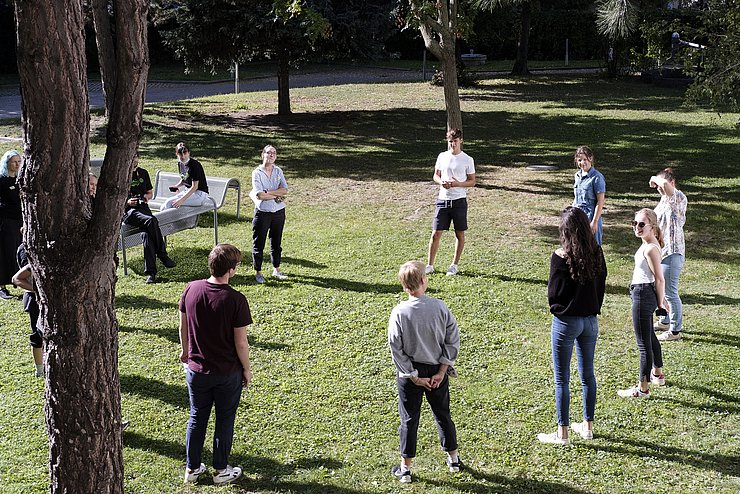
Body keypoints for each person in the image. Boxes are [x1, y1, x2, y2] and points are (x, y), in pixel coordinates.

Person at [179, 244, 252, 485]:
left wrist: (186, 352)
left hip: (197, 369)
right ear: (230, 270)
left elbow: (183, 327)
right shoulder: (236, 300)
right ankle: (221, 470)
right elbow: (241, 343)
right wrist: (247, 369)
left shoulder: (191, 289)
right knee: (224, 419)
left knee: (197, 417)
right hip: (226, 373)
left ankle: (192, 469)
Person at [537, 207, 606, 445]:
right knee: (588, 375)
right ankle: (588, 426)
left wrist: (561, 311)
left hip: (566, 322)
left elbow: (554, 294)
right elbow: (601, 286)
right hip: (590, 321)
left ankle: (562, 432)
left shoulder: (560, 257)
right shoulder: (596, 252)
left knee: (562, 379)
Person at [388, 260, 461, 483]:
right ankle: (454, 460)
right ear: (423, 281)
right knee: (442, 414)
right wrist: (442, 371)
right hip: (436, 368)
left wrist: (413, 376)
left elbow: (395, 345)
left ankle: (405, 469)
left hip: (411, 373)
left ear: (404, 286)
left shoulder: (399, 312)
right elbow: (452, 339)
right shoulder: (440, 307)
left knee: (409, 419)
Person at [618, 209, 667, 398]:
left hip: (642, 294)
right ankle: (658, 373)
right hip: (643, 293)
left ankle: (642, 389)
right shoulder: (649, 244)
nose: (636, 228)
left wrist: (661, 303)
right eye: (634, 223)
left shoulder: (650, 248)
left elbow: (659, 279)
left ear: (652, 226)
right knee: (650, 336)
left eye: (641, 224)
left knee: (643, 345)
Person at [425, 128, 476, 276]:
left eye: (455, 141)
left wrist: (458, 184)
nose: (452, 144)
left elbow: (472, 181)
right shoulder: (442, 156)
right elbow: (436, 175)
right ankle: (430, 265)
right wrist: (442, 182)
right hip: (443, 200)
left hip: (459, 200)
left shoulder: (467, 159)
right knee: (435, 233)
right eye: (450, 141)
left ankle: (454, 265)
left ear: (461, 140)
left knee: (459, 234)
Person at [123, 156, 176, 284]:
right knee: (151, 221)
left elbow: (150, 192)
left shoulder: (143, 173)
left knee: (147, 235)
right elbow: (115, 198)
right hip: (129, 211)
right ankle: (163, 255)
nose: (134, 161)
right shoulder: (122, 173)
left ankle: (151, 273)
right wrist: (128, 202)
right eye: (132, 158)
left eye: (136, 158)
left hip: (144, 208)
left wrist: (146, 197)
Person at [650, 168, 687, 341]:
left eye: (661, 185)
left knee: (671, 292)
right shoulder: (663, 201)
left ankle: (675, 330)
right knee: (661, 290)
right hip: (662, 252)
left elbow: (664, 184)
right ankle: (665, 319)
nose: (659, 189)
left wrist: (654, 179)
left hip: (673, 252)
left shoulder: (678, 197)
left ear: (672, 183)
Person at [249, 144, 288, 284]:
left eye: (274, 153)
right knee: (259, 243)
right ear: (263, 155)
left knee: (276, 242)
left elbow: (285, 190)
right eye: (268, 153)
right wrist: (275, 194)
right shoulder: (256, 173)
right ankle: (258, 272)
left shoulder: (278, 171)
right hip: (263, 212)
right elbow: (259, 195)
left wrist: (268, 193)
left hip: (278, 211)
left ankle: (276, 269)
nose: (271, 155)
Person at [12, 241, 42, 377]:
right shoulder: (27, 251)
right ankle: (40, 371)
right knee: (38, 336)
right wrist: (39, 290)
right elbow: (16, 279)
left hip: (46, 299)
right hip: (35, 301)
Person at [572, 146, 606, 245]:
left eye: (584, 159)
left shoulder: (597, 177)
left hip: (590, 215)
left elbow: (600, 201)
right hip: (578, 215)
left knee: (592, 246)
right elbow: (576, 198)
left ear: (590, 158)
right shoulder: (577, 176)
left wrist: (594, 222)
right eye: (579, 160)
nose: (582, 163)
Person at [0, 150, 23, 300]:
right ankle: (2, 285)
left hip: (19, 221)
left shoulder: (20, 180)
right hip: (6, 222)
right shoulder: (1, 180)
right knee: (5, 251)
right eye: (14, 162)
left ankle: (20, 280)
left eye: (18, 162)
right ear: (7, 163)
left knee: (18, 250)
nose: (16, 165)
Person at [162, 142, 209, 210]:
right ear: (177, 154)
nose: (183, 156)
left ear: (189, 153)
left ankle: (169, 220)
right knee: (163, 206)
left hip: (200, 195)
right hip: (188, 192)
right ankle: (162, 221)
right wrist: (176, 186)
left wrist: (180, 200)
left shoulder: (194, 165)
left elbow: (195, 187)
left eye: (185, 153)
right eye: (180, 154)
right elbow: (184, 178)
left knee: (169, 203)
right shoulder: (180, 163)